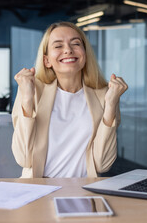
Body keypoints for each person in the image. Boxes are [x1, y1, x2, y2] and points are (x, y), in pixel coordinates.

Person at [12, 22, 128, 178]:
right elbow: (23, 158)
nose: (68, 50)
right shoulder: (31, 91)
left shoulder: (104, 95)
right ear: (47, 60)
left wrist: (111, 104)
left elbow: (103, 164)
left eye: (75, 43)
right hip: (38, 190)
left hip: (83, 192)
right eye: (58, 46)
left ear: (84, 55)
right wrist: (26, 98)